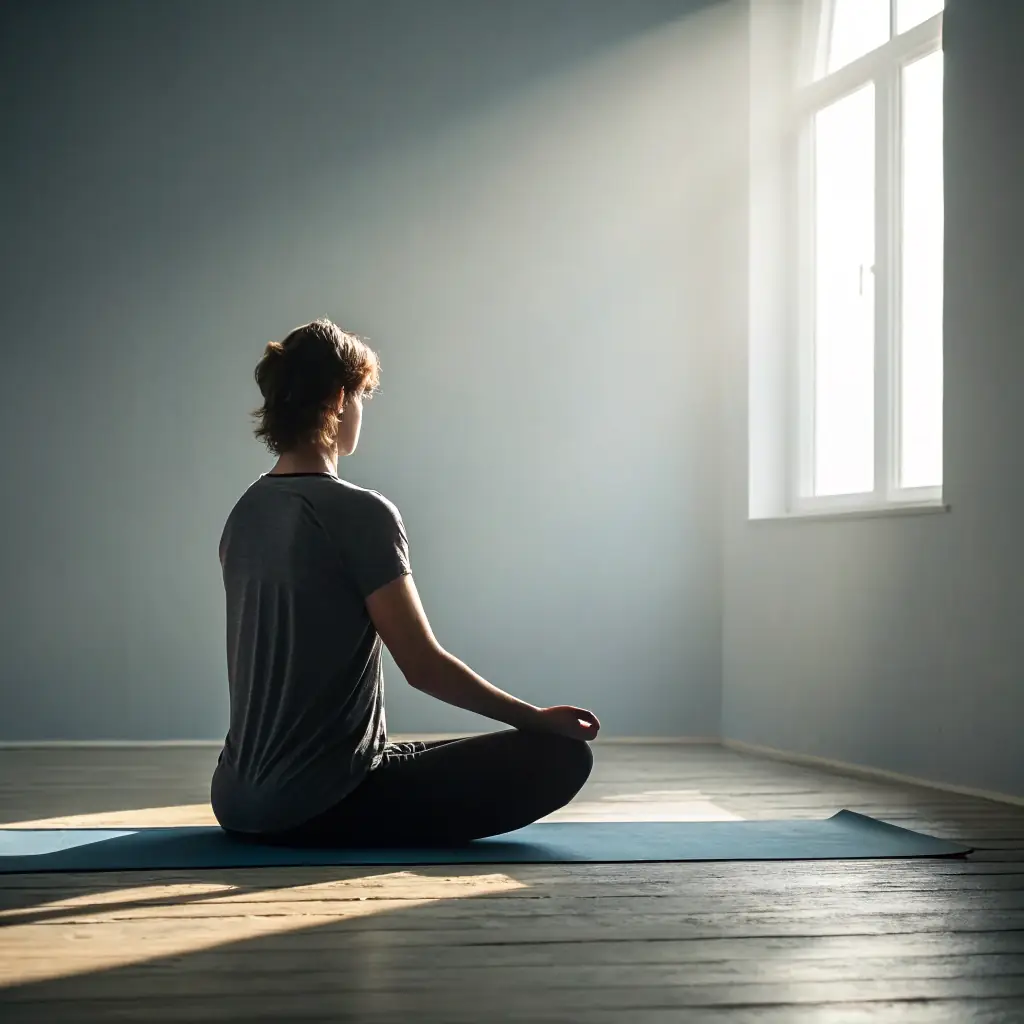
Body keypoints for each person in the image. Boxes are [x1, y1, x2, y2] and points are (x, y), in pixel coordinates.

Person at [211, 318, 600, 847]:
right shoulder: (362, 513)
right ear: (339, 398)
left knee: (408, 752)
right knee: (560, 755)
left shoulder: (245, 511)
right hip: (317, 805)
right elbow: (424, 668)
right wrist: (535, 719)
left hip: (235, 800)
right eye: (362, 396)